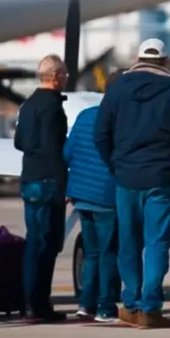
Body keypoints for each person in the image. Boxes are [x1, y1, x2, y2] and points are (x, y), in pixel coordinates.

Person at [94, 38, 170, 329]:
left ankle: (130, 304)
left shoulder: (117, 89)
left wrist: (115, 165)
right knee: (156, 244)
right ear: (164, 62)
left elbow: (100, 134)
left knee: (128, 243)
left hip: (126, 177)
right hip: (163, 177)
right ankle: (150, 307)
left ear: (137, 59)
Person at [14, 54, 69, 323]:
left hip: (29, 179)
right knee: (47, 245)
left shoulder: (27, 105)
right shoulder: (53, 108)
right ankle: (40, 304)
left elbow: (19, 142)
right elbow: (56, 147)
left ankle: (28, 302)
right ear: (56, 76)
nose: (67, 79)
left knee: (33, 241)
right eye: (65, 75)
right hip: (49, 180)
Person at [64, 97, 119, 323]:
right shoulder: (120, 119)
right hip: (106, 195)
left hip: (81, 195)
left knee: (91, 253)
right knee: (108, 253)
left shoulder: (84, 115)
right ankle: (106, 306)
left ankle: (86, 304)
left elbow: (67, 153)